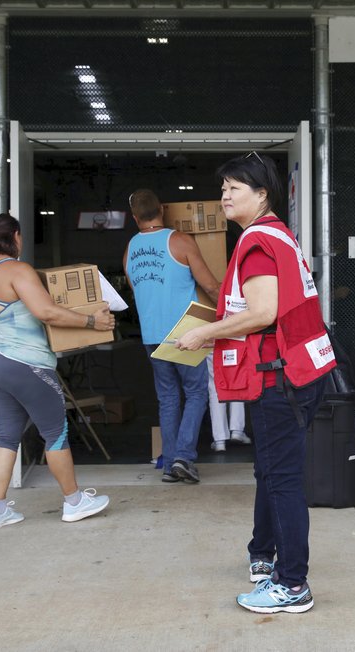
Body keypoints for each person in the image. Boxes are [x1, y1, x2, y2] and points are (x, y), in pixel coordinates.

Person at [175, 152, 336, 614]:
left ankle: (293, 584)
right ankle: (263, 555)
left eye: (235, 188)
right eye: (223, 187)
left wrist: (205, 332)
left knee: (281, 478)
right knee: (270, 470)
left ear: (262, 194)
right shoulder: (279, 236)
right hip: (298, 371)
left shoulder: (258, 243)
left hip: (279, 378)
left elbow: (263, 312)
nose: (225, 195)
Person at [0, 212, 114, 530]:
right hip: (27, 364)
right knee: (56, 432)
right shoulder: (17, 269)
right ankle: (74, 501)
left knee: (7, 437)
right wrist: (93, 321)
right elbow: (46, 311)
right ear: (15, 236)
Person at [124, 189, 219, 484]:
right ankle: (184, 458)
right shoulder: (180, 241)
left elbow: (134, 288)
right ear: (162, 209)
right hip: (185, 331)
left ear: (134, 217)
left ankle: (169, 466)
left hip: (151, 334)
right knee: (196, 392)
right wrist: (233, 312)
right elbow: (211, 286)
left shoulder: (130, 249)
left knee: (167, 398)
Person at [205, 351, 250, 452]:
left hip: (211, 344)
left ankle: (219, 440)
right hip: (233, 342)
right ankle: (237, 431)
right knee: (237, 382)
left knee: (215, 388)